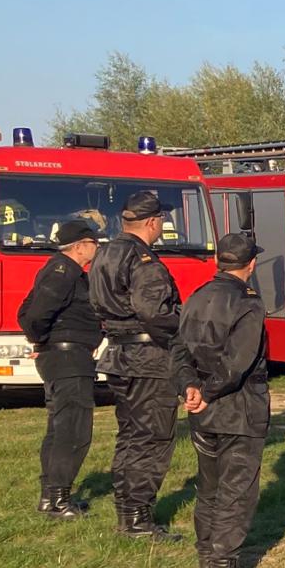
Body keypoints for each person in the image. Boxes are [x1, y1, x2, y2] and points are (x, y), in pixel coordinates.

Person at [172, 233, 274, 568]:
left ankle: (205, 563)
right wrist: (208, 390)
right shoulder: (248, 304)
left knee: (209, 487)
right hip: (239, 407)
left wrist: (191, 388)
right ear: (251, 264)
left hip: (203, 407)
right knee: (237, 491)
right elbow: (237, 364)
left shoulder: (197, 296)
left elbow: (179, 351)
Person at [89, 191, 185, 541]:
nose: (162, 226)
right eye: (162, 220)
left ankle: (127, 510)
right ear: (152, 222)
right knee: (152, 437)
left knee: (130, 435)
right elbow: (154, 312)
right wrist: (185, 323)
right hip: (148, 358)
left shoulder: (105, 252)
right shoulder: (143, 259)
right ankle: (138, 518)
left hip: (118, 354)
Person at [17, 218, 101, 519]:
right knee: (74, 430)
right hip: (67, 359)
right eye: (93, 243)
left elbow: (26, 309)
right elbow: (35, 314)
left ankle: (49, 496)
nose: (97, 247)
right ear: (79, 247)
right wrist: (43, 339)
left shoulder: (64, 271)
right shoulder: (63, 272)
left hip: (63, 357)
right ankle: (59, 499)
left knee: (58, 428)